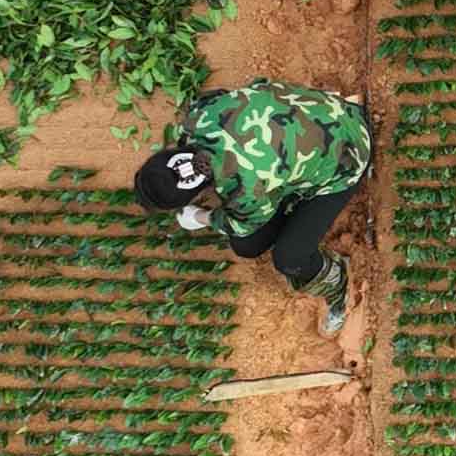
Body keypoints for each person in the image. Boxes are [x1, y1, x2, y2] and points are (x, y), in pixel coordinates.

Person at [135, 79, 372, 334]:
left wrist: (201, 217)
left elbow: (242, 224)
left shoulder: (243, 191)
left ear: (191, 196)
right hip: (326, 112)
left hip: (348, 159)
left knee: (288, 257)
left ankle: (336, 283)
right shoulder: (197, 117)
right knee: (247, 245)